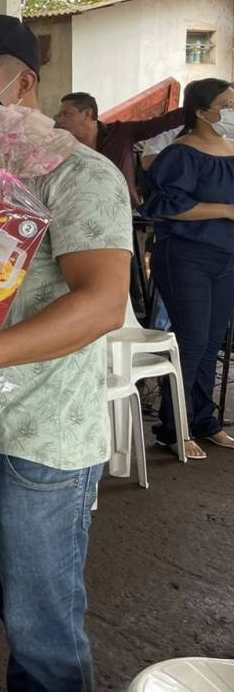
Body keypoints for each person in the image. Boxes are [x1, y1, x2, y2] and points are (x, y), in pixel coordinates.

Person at [0, 14, 133, 691]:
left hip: (43, 438)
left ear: (25, 84)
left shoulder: (79, 176)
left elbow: (101, 303)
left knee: (44, 634)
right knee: (5, 599)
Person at [138, 78, 234, 460]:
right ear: (202, 111)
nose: (230, 110)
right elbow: (166, 206)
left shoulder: (229, 149)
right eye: (226, 103)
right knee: (191, 342)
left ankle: (205, 422)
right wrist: (226, 211)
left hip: (226, 258)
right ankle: (172, 427)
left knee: (212, 343)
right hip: (186, 256)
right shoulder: (180, 153)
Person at [55, 91, 184, 206]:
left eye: (66, 114)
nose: (60, 119)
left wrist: (195, 105)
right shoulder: (61, 145)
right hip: (81, 212)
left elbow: (165, 122)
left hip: (123, 212)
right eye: (59, 115)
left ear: (88, 114)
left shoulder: (121, 133)